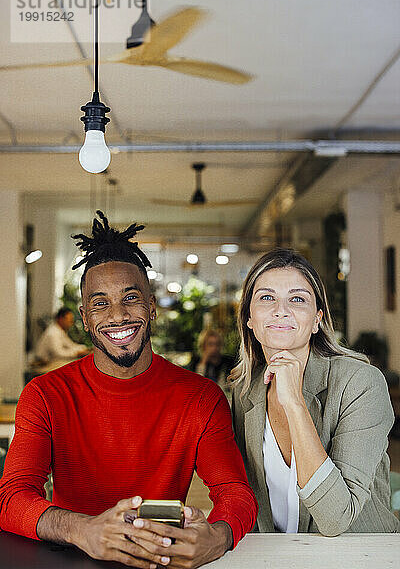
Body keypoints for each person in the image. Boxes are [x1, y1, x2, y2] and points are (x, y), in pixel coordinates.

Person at [0, 211, 257, 569]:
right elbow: (12, 498)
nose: (117, 315)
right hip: (70, 557)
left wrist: (219, 535)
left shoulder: (200, 398)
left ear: (151, 307)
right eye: (100, 302)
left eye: (131, 298)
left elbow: (235, 492)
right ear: (85, 318)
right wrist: (84, 529)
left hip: (161, 561)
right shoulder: (45, 394)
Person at [230, 248, 400, 536]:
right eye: (266, 297)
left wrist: (294, 402)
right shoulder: (243, 391)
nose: (280, 309)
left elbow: (336, 518)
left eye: (297, 299)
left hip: (360, 558)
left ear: (317, 319)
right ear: (249, 317)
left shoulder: (361, 383)